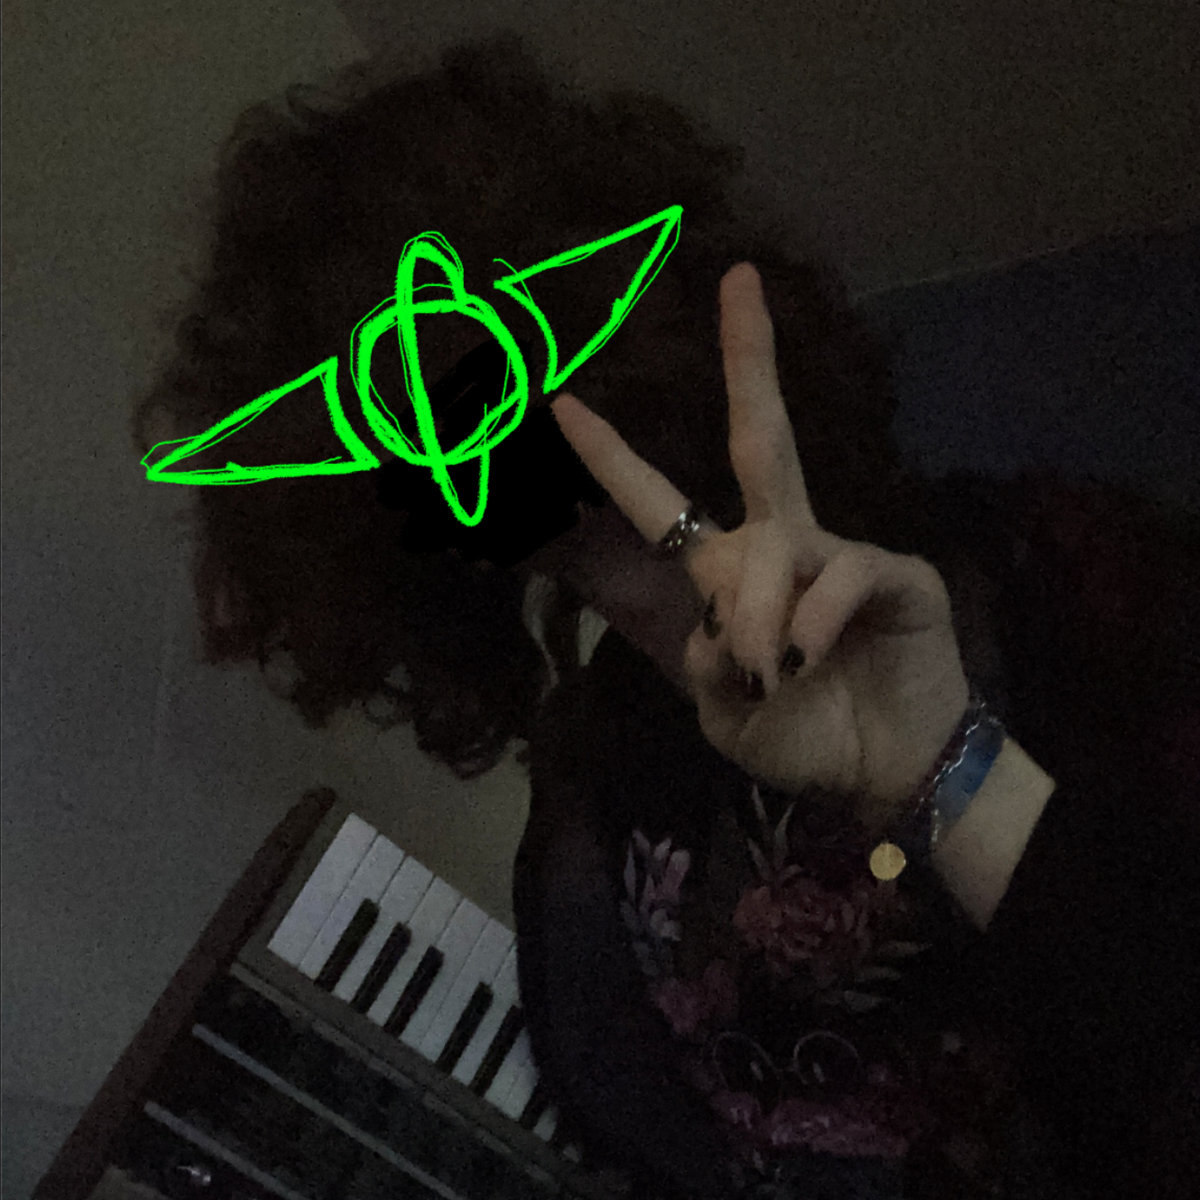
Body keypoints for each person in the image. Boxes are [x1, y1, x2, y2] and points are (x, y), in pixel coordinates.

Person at [132, 30, 1200, 1200]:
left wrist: (943, 767)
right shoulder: (590, 808)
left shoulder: (1052, 575)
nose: (442, 429)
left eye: (454, 372)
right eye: (384, 410)